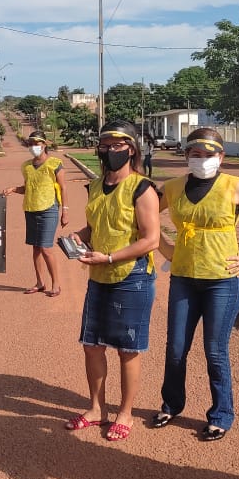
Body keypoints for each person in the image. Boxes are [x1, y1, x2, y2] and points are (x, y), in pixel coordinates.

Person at [151, 128, 239, 441]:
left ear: (220, 157)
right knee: (176, 348)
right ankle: (171, 404)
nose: (202, 160)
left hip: (222, 281)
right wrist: (165, 247)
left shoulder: (234, 186)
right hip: (184, 277)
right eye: (195, 154)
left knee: (215, 350)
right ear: (186, 156)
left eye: (209, 154)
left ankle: (221, 415)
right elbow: (145, 216)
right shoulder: (173, 187)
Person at [64, 120, 159, 441]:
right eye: (104, 145)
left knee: (127, 349)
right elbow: (96, 226)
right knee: (92, 345)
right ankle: (96, 409)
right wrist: (79, 236)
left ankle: (125, 413)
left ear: (131, 150)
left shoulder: (143, 188)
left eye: (117, 145)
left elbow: (150, 239)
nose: (109, 151)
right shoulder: (94, 186)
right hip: (99, 276)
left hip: (132, 277)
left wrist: (108, 257)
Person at [3, 130, 69, 296]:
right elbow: (28, 188)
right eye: (31, 144)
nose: (34, 146)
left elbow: (63, 188)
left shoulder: (55, 164)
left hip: (49, 209)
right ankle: (40, 282)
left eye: (37, 143)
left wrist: (65, 211)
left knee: (46, 248)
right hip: (31, 209)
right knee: (36, 248)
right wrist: (14, 189)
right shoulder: (26, 166)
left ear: (44, 144)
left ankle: (56, 284)